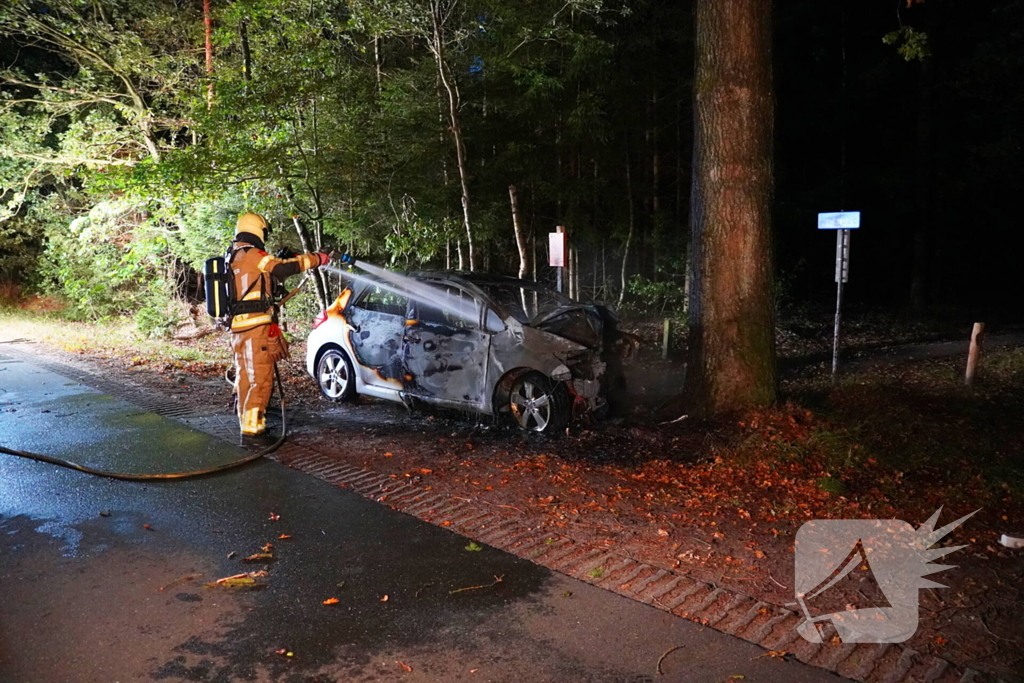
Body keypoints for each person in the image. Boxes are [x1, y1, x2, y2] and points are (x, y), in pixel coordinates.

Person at [228, 212, 329, 438]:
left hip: (239, 328)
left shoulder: (233, 254)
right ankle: (254, 429)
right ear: (257, 230)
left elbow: (262, 282)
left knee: (245, 376)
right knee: (259, 379)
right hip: (256, 329)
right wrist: (316, 258)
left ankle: (246, 421)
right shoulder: (252, 253)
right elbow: (282, 268)